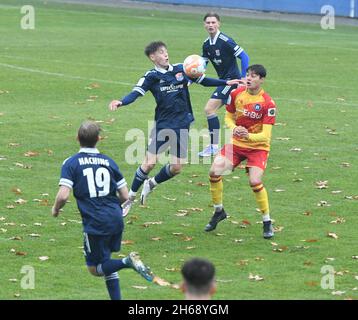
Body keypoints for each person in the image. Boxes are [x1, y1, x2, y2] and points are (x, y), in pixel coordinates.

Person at [109, 41, 242, 213]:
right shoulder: (151, 76)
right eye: (161, 52)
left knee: (177, 167)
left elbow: (203, 80)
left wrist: (226, 82)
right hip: (163, 125)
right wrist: (121, 102)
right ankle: (130, 198)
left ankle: (152, 183)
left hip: (182, 124)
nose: (165, 54)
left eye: (166, 51)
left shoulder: (182, 69)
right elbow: (136, 92)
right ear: (152, 57)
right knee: (149, 163)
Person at [52, 121, 154, 300]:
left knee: (95, 269)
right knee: (106, 262)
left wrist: (55, 209)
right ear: (99, 139)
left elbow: (63, 196)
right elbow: (125, 196)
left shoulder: (71, 163)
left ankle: (127, 262)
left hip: (95, 223)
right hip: (115, 218)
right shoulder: (109, 162)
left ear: (77, 138)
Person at [205, 64, 276, 239]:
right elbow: (228, 116)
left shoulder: (268, 103)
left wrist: (247, 136)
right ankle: (219, 211)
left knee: (255, 181)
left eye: (254, 76)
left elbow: (265, 135)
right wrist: (234, 128)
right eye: (247, 75)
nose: (249, 78)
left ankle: (267, 221)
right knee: (214, 171)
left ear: (261, 79)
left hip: (258, 148)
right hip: (236, 145)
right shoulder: (236, 94)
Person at [198, 12, 250, 157]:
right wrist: (190, 78)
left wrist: (243, 78)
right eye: (208, 23)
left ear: (219, 24)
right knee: (238, 114)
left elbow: (244, 56)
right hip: (224, 81)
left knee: (209, 109)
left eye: (213, 22)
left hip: (232, 81)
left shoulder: (225, 40)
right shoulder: (206, 44)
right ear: (204, 25)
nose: (210, 25)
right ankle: (248, 145)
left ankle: (215, 147)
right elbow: (202, 65)